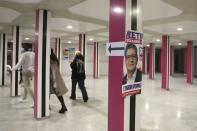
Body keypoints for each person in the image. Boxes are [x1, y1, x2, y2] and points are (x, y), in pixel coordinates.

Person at [50, 49, 68, 113]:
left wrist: (54, 82)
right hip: (54, 79)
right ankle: (63, 106)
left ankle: (64, 106)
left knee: (58, 93)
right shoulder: (54, 59)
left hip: (54, 80)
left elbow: (53, 72)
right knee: (56, 93)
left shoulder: (51, 61)